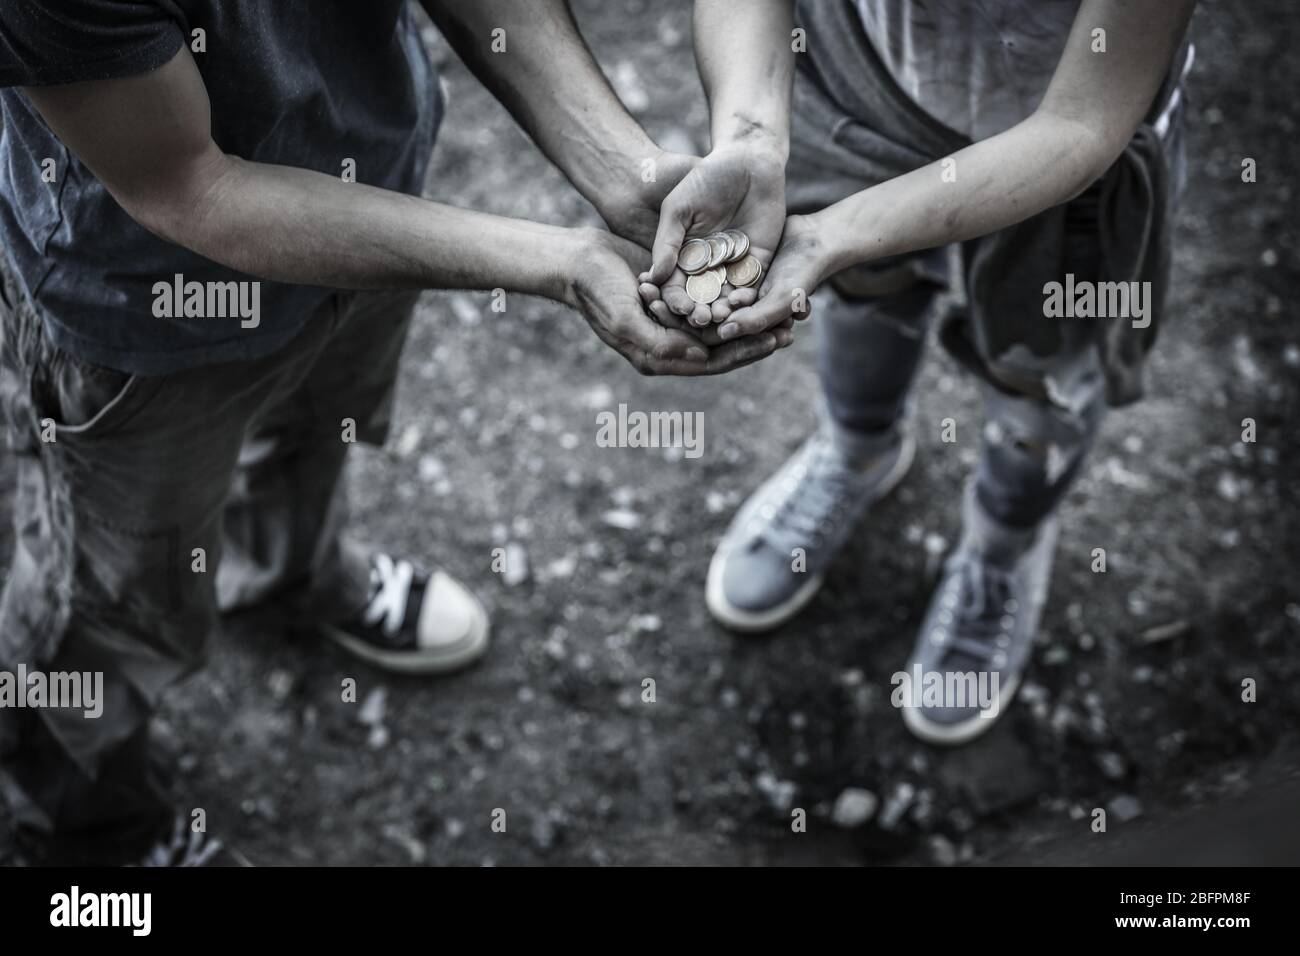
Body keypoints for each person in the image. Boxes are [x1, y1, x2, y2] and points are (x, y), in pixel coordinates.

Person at [0, 0, 789, 865]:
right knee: (107, 601)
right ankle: (95, 834)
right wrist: (559, 263)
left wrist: (626, 175)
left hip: (368, 199)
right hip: (142, 299)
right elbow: (190, 186)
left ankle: (288, 577)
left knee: (313, 429)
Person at [640, 0, 1196, 744]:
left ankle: (1004, 547)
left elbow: (1085, 122)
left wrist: (836, 234)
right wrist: (747, 135)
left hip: (1068, 154)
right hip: (854, 89)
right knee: (861, 299)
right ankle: (858, 451)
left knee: (1044, 380)